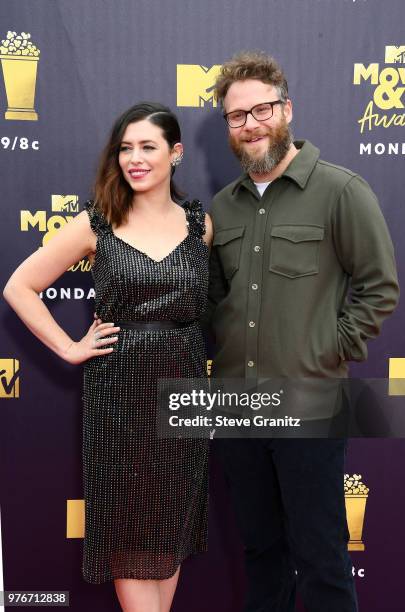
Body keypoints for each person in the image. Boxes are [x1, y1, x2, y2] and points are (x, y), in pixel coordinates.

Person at [207, 51, 399, 612]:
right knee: (262, 554)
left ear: (286, 109)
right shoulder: (224, 206)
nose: (250, 124)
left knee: (321, 556)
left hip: (310, 405)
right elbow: (219, 301)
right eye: (236, 116)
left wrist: (326, 352)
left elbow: (378, 287)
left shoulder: (341, 190)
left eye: (261, 109)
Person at [3, 102, 213, 612]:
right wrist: (70, 348)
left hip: (184, 386)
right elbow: (20, 286)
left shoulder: (200, 225)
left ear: (176, 153)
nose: (134, 159)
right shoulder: (97, 223)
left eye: (147, 147)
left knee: (169, 520)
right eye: (125, 149)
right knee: (128, 525)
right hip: (119, 391)